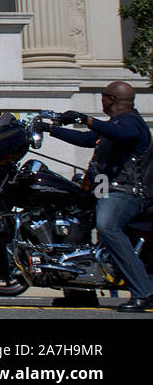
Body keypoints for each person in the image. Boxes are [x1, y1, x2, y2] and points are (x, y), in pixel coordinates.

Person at [47, 81, 153, 312]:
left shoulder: (132, 122)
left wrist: (86, 118)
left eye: (104, 97)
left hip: (128, 193)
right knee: (72, 220)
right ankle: (79, 292)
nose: (102, 101)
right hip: (104, 191)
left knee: (108, 226)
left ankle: (144, 292)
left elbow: (120, 133)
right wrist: (50, 129)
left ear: (110, 99)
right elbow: (87, 140)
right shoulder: (113, 125)